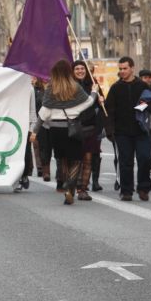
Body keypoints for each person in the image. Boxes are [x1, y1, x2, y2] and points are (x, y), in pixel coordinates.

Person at [30, 59, 97, 205]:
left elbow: (43, 113)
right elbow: (88, 103)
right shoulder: (75, 88)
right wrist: (94, 92)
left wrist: (34, 131)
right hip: (72, 127)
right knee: (77, 159)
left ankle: (68, 186)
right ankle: (70, 185)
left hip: (55, 130)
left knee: (63, 159)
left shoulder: (51, 89)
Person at [105, 57, 151, 201]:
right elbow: (109, 111)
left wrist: (145, 105)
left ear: (132, 68)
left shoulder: (143, 86)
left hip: (141, 130)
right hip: (122, 132)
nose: (122, 71)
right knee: (125, 161)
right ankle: (126, 190)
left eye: (125, 68)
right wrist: (110, 130)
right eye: (120, 69)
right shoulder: (115, 88)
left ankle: (144, 188)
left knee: (145, 158)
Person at [73, 60, 105, 194]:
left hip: (91, 126)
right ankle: (73, 185)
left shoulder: (94, 85)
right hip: (74, 126)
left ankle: (83, 188)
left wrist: (101, 100)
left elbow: (101, 106)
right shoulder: (70, 86)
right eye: (77, 69)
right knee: (75, 159)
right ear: (73, 72)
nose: (80, 71)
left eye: (82, 68)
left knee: (88, 158)